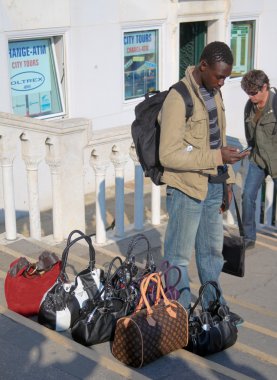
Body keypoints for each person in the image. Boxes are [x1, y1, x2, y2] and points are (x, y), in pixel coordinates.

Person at [159, 41, 248, 325]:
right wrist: (216, 156)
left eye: (226, 77)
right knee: (178, 258)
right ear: (203, 65)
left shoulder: (214, 92)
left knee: (211, 254)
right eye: (219, 76)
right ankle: (179, 316)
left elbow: (219, 139)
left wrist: (228, 182)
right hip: (185, 190)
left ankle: (212, 308)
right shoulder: (178, 97)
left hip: (213, 186)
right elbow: (168, 154)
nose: (222, 82)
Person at [241, 69, 277, 249]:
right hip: (258, 159)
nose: (250, 97)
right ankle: (248, 237)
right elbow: (250, 134)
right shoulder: (249, 106)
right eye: (248, 93)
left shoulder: (276, 103)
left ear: (265, 87)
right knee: (247, 196)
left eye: (253, 93)